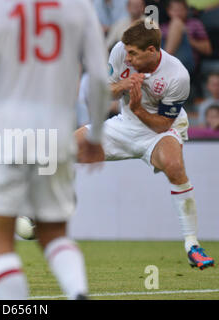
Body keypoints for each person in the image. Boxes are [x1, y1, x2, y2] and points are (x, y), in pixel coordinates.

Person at [0, 0, 109, 299]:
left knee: (1, 240)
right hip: (56, 133)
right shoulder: (79, 7)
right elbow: (99, 79)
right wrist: (96, 134)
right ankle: (77, 292)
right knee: (54, 233)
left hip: (4, 135)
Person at [75, 19, 215, 270]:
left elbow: (162, 125)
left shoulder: (177, 75)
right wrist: (121, 86)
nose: (127, 58)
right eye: (126, 52)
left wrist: (138, 109)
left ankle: (193, 246)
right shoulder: (120, 50)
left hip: (160, 130)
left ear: (152, 51)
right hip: (124, 126)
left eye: (133, 54)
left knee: (173, 165)